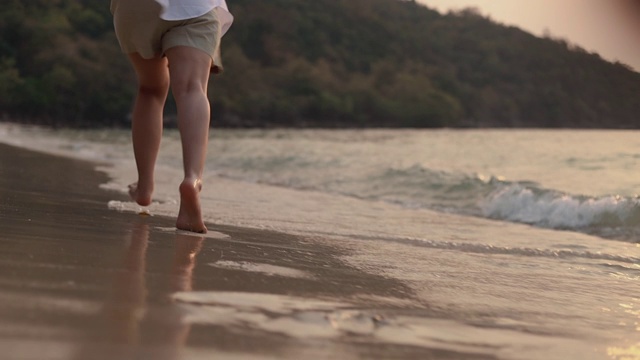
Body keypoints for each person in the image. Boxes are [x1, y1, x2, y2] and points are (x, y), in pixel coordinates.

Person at [110, 0, 233, 233]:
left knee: (151, 89)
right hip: (195, 6)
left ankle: (144, 186)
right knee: (192, 89)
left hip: (136, 8)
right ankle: (192, 179)